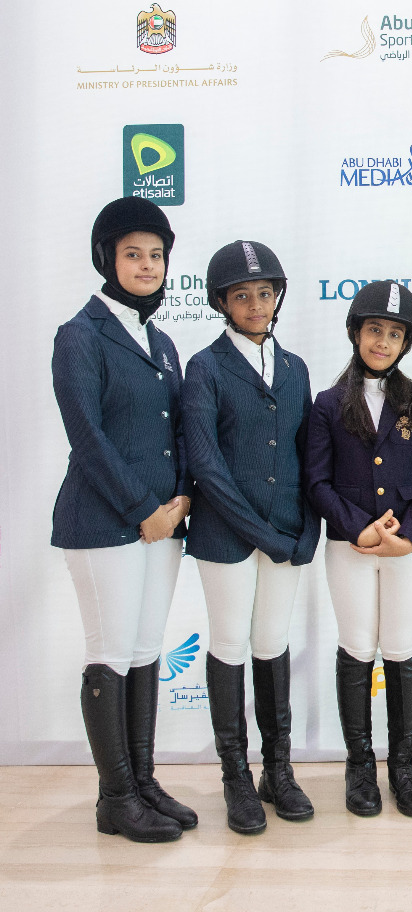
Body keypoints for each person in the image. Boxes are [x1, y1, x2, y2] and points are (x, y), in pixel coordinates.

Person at [51, 197, 196, 843]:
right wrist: (144, 512)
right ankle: (115, 798)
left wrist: (182, 499)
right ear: (106, 258)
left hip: (164, 526)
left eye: (156, 255)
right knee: (109, 655)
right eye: (133, 254)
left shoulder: (161, 341)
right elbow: (87, 436)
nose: (147, 265)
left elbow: (178, 429)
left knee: (143, 652)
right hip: (104, 522)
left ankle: (143, 783)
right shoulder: (80, 335)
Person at [182, 241, 320, 834]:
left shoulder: (295, 368)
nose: (256, 304)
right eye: (242, 296)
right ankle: (235, 775)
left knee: (272, 641)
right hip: (226, 536)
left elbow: (309, 455)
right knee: (230, 643)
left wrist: (309, 526)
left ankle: (278, 770)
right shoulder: (205, 368)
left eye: (265, 293)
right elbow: (206, 466)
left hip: (287, 532)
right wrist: (262, 532)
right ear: (223, 303)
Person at [305, 281, 412, 818]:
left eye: (394, 334)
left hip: (406, 547)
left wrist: (407, 535)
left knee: (402, 646)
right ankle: (360, 765)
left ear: (406, 342)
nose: (382, 342)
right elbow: (317, 481)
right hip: (351, 547)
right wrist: (357, 530)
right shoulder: (328, 404)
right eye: (374, 330)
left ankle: (403, 766)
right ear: (355, 333)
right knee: (358, 646)